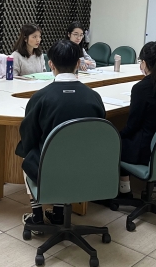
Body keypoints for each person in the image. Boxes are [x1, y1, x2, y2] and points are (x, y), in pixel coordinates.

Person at [15, 39, 106, 228]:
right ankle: (58, 212)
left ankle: (37, 216)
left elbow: (29, 135)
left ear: (51, 64)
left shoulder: (40, 98)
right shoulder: (94, 97)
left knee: (27, 151)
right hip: (88, 167)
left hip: (49, 169)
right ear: (78, 64)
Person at [119, 41, 156, 197]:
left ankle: (124, 189)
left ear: (144, 63)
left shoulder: (140, 88)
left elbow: (132, 125)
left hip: (143, 148)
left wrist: (117, 135)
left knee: (117, 141)